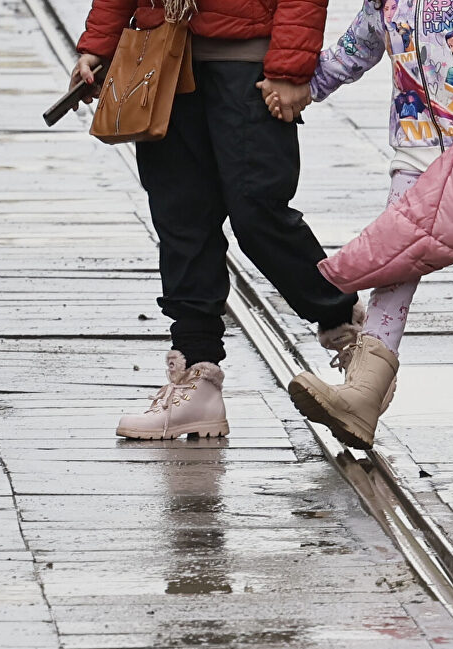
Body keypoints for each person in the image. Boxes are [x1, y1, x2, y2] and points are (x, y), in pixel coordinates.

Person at [69, 0, 362, 440]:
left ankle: (345, 326)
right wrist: (100, 44)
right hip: (163, 56)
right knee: (181, 221)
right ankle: (196, 375)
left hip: (249, 63)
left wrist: (289, 67)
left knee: (257, 212)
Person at [260, 0, 453, 448]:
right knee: (395, 266)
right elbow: (352, 51)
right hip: (415, 157)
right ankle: (364, 395)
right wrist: (301, 88)